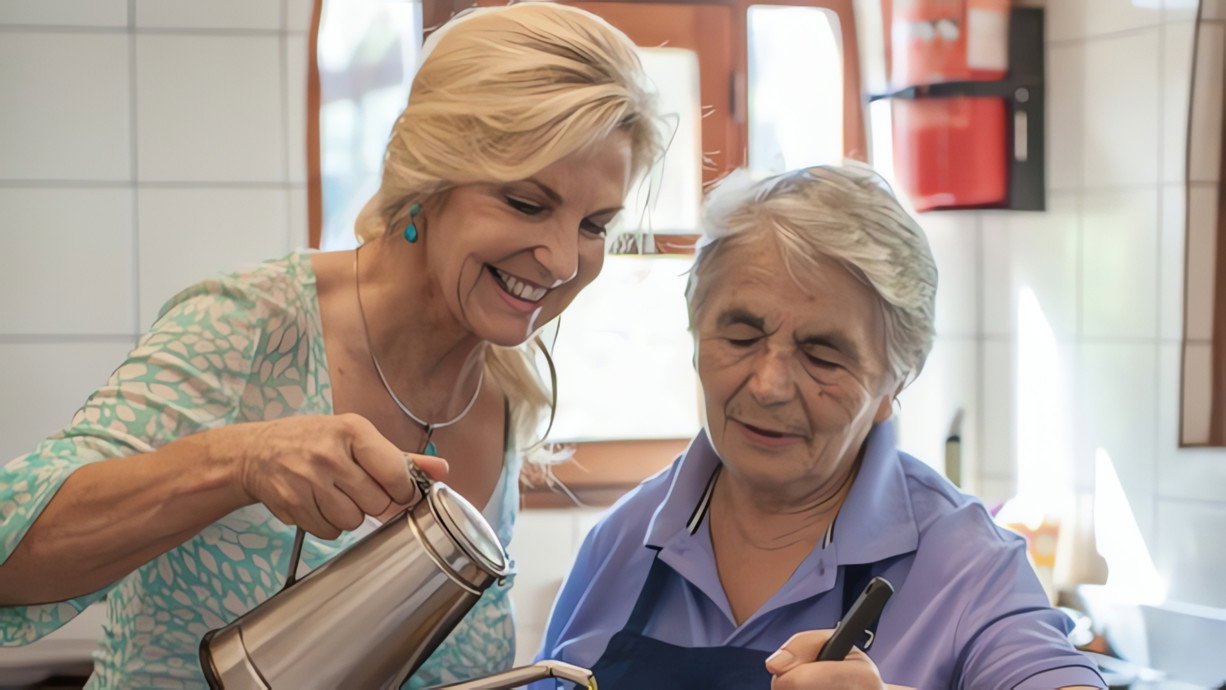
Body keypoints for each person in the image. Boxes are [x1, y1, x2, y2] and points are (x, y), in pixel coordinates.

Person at [0, 4, 662, 687]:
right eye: (526, 204)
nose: (562, 260)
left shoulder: (503, 384)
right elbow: (10, 556)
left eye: (594, 225)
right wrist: (240, 461)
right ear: (431, 175)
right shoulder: (253, 325)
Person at [535, 165, 1106, 689]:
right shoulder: (622, 543)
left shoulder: (967, 565)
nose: (769, 385)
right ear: (695, 334)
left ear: (893, 383)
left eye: (823, 356)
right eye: (740, 337)